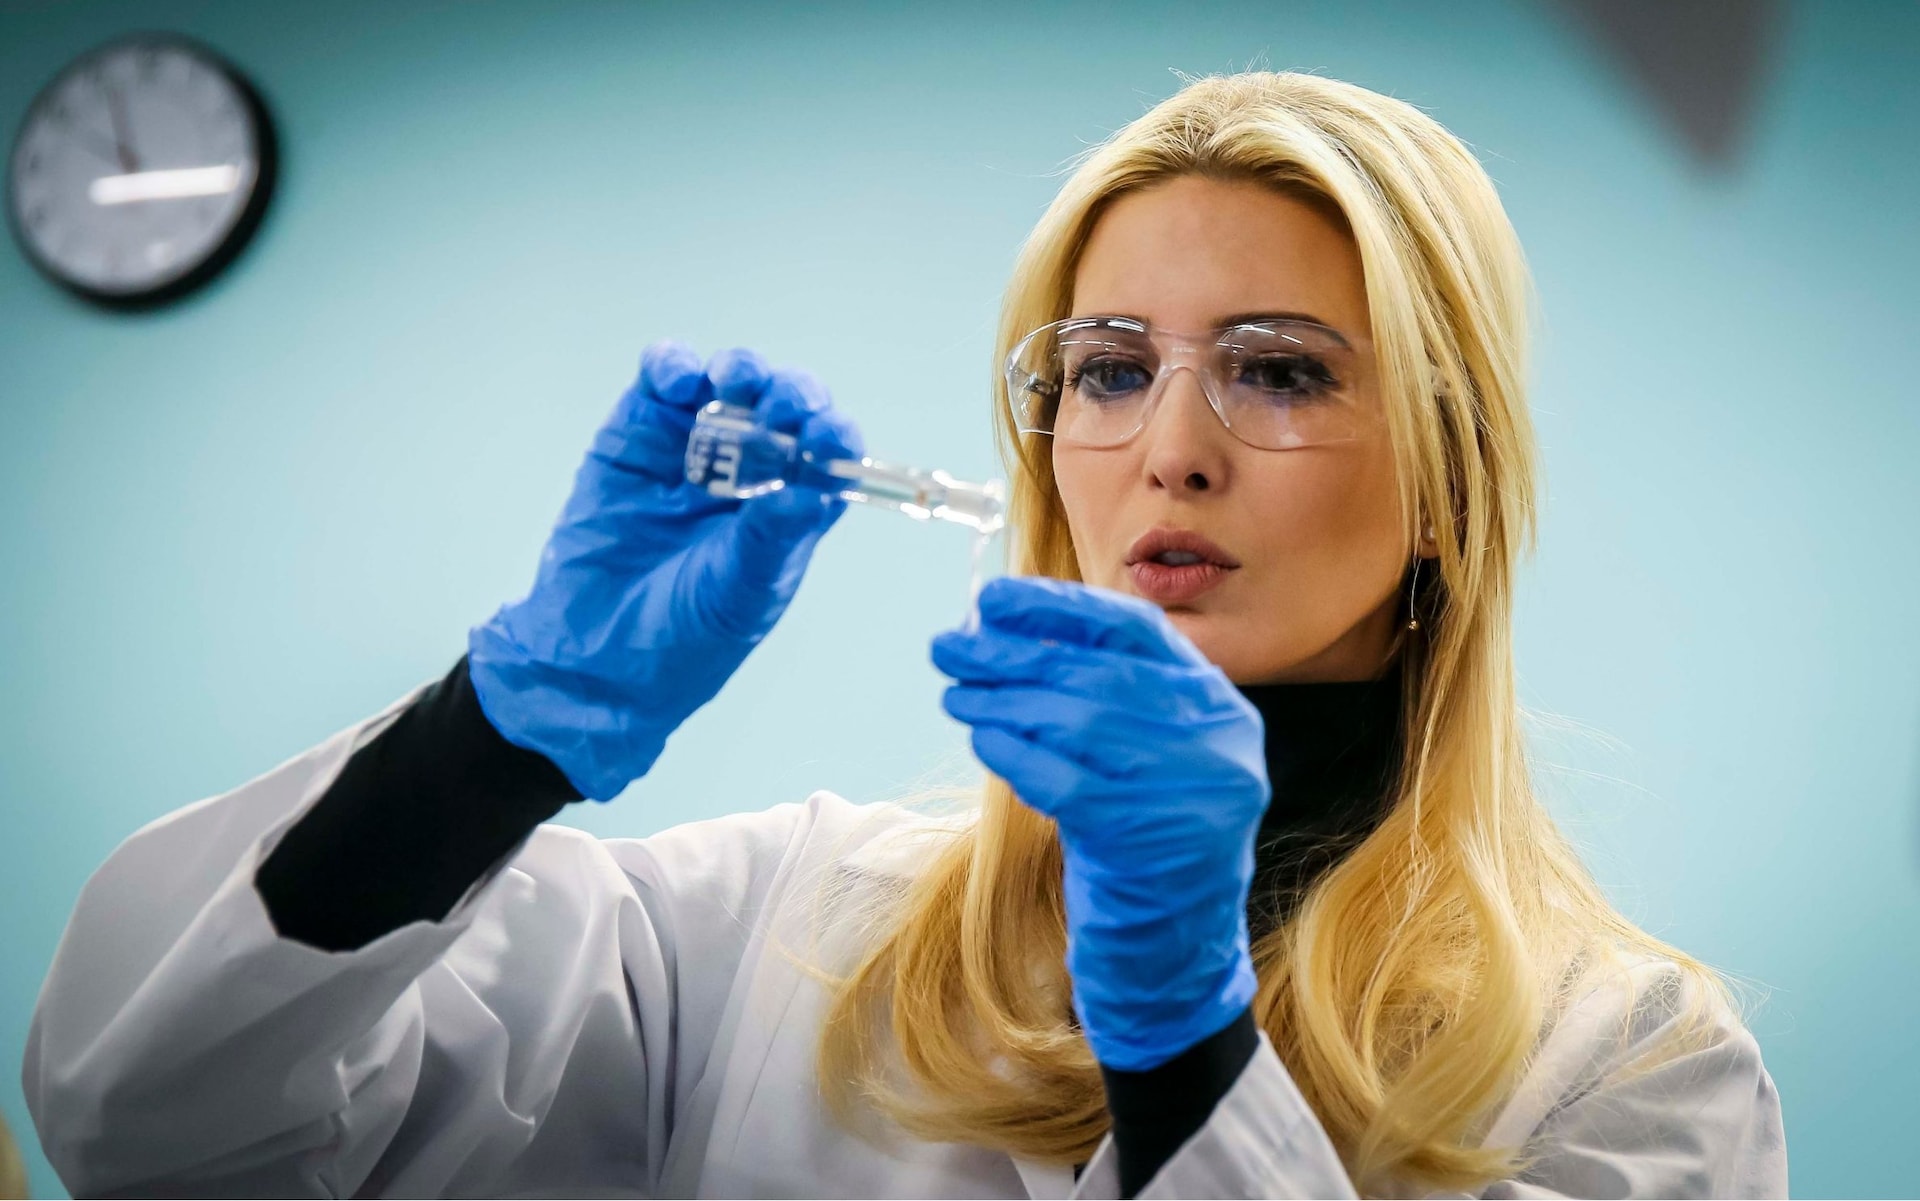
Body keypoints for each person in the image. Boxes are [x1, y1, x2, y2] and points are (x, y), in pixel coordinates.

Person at [23, 70, 1785, 1198]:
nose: (1169, 448)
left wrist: (1183, 1033)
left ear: (1452, 485)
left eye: (1279, 369)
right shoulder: (782, 931)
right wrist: (497, 728)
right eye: (1109, 369)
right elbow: (160, 1121)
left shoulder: (1630, 1066)